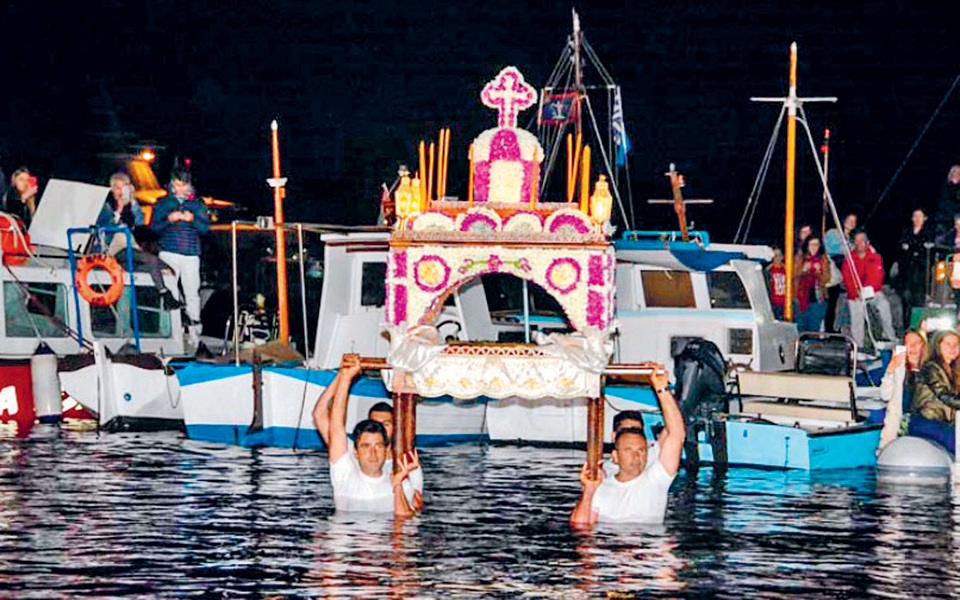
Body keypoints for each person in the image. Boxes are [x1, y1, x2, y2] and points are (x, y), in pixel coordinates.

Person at [570, 363, 685, 525]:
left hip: (646, 546)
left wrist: (662, 389)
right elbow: (580, 528)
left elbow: (676, 434)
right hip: (610, 546)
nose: (636, 456)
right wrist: (588, 491)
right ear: (615, 456)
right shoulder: (601, 486)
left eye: (641, 450)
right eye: (628, 450)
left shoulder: (656, 480)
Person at [324, 354, 419, 516]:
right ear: (356, 452)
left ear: (386, 448)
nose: (373, 453)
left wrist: (397, 485)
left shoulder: (401, 480)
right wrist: (346, 377)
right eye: (366, 446)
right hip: (349, 538)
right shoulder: (344, 475)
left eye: (378, 446)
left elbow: (405, 524)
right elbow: (336, 426)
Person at [314, 389, 424, 511]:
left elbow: (414, 507)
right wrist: (343, 375)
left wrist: (399, 486)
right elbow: (320, 416)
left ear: (395, 427)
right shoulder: (351, 452)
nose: (372, 453)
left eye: (386, 424)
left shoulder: (407, 464)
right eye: (375, 423)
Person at [96, 173, 181, 309]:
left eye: (123, 188)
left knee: (164, 267)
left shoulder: (130, 206)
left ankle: (173, 304)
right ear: (112, 189)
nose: (120, 191)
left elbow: (139, 221)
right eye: (117, 188)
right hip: (114, 248)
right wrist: (118, 211)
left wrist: (133, 201)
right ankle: (165, 295)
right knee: (152, 260)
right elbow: (104, 227)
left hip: (130, 246)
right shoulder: (107, 206)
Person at [151, 167, 210, 347]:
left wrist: (193, 219)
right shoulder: (162, 203)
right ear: (171, 185)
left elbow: (205, 229)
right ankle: (173, 331)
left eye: (182, 185)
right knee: (171, 292)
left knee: (192, 293)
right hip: (168, 252)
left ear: (189, 186)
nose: (179, 189)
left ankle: (195, 334)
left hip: (191, 254)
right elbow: (153, 227)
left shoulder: (198, 205)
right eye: (176, 185)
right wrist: (169, 219)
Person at [841, 230, 896, 350]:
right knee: (857, 316)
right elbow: (847, 279)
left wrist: (866, 291)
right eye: (857, 241)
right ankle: (858, 346)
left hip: (872, 292)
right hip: (855, 295)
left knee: (884, 305)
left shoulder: (875, 257)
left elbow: (877, 278)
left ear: (867, 243)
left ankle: (890, 337)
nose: (859, 243)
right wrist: (855, 292)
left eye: (862, 240)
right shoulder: (849, 259)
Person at [909, 329, 960, 453]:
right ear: (938, 346)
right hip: (927, 423)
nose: (952, 348)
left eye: (956, 345)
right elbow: (945, 396)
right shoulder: (931, 368)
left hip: (945, 424)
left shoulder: (955, 371)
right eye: (948, 344)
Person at [877, 329, 927, 452]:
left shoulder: (931, 371)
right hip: (896, 430)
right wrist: (890, 370)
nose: (913, 347)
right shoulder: (898, 369)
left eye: (917, 343)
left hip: (923, 429)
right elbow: (885, 395)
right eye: (908, 343)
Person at [896, 209, 932, 331]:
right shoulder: (906, 232)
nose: (917, 219)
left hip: (921, 276)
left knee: (919, 303)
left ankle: (918, 330)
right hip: (906, 275)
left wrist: (912, 249)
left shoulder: (928, 234)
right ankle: (906, 330)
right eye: (915, 216)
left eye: (920, 216)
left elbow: (924, 253)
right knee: (906, 304)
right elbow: (901, 252)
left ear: (925, 218)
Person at [825, 212, 858, 332]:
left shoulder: (851, 239)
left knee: (842, 302)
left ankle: (839, 328)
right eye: (849, 220)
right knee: (832, 302)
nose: (851, 223)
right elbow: (833, 251)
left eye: (854, 221)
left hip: (846, 272)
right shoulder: (833, 233)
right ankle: (829, 330)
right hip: (834, 268)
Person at [793, 235, 830, 332]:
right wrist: (803, 270)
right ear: (807, 246)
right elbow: (792, 275)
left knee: (814, 328)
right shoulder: (799, 258)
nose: (814, 247)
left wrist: (820, 272)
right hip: (800, 299)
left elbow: (827, 279)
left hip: (818, 299)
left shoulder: (823, 259)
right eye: (811, 245)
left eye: (816, 245)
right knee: (800, 327)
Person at [766, 245, 786, 320]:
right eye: (775, 255)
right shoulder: (768, 270)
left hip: (786, 304)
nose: (777, 258)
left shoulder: (787, 269)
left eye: (779, 255)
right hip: (773, 303)